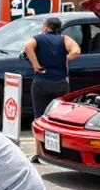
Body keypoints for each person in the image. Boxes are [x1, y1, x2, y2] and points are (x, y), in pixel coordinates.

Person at [24, 17, 81, 163]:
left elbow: (28, 47)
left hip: (41, 82)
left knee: (39, 116)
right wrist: (65, 58)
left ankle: (38, 153)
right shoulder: (64, 39)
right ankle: (62, 152)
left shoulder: (37, 39)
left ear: (45, 27)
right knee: (61, 118)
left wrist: (36, 65)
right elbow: (76, 51)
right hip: (60, 83)